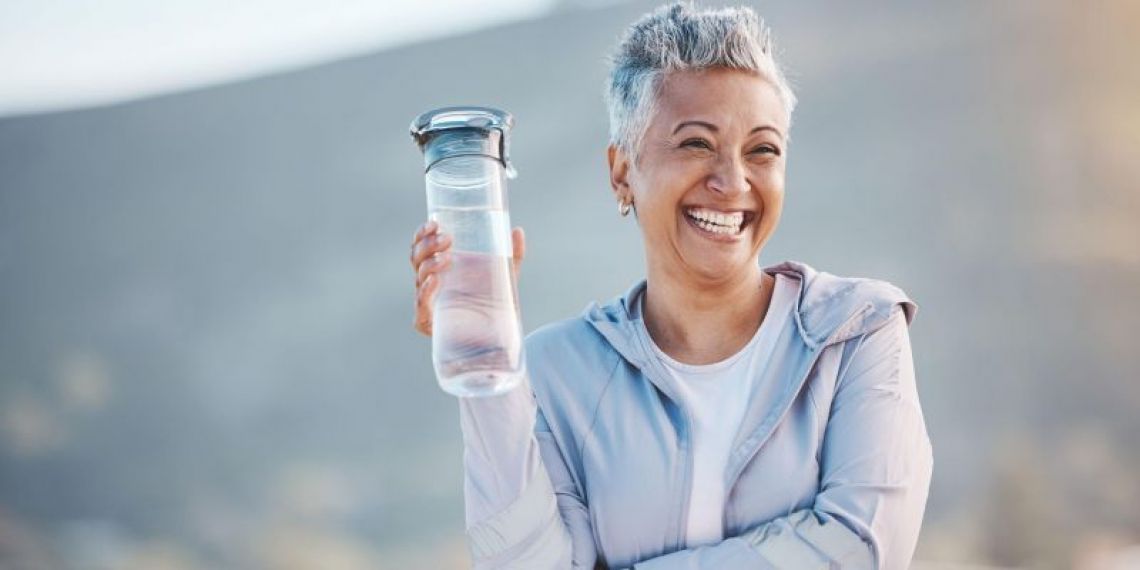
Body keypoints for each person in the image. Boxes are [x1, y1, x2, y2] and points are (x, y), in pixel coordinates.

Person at [409, 3, 932, 568]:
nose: (733, 182)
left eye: (762, 150)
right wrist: (490, 363)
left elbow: (860, 547)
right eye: (696, 144)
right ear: (622, 171)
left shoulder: (856, 331)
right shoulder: (553, 370)